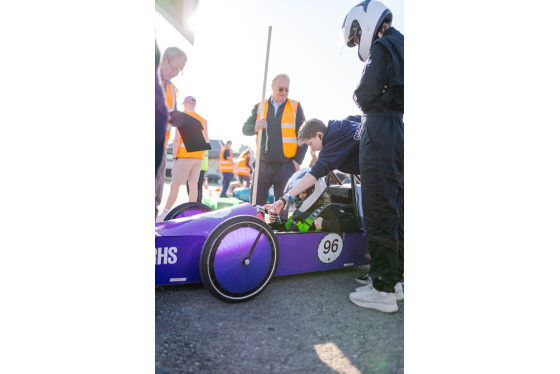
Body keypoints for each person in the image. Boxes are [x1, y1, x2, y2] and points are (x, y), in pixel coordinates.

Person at [342, 0, 404, 313]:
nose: (355, 42)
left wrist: (364, 94)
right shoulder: (402, 43)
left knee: (379, 205)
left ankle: (382, 290)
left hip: (379, 129)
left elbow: (363, 94)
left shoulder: (382, 46)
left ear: (365, 23)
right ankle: (394, 280)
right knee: (395, 206)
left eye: (355, 35)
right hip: (397, 129)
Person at [242, 73, 307, 220]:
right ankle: (254, 230)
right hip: (262, 164)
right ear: (272, 87)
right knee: (255, 205)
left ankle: (278, 233)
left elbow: (304, 134)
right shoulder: (260, 106)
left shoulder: (296, 107)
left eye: (287, 89)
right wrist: (254, 127)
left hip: (285, 166)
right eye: (280, 89)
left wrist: (297, 161)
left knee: (281, 208)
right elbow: (245, 128)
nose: (284, 92)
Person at [269, 116, 362, 216]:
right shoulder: (344, 123)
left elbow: (313, 175)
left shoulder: (330, 147)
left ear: (319, 135)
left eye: (310, 143)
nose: (312, 147)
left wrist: (285, 198)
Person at [157, 96, 208, 222]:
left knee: (175, 185)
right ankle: (191, 214)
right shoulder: (203, 120)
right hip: (199, 157)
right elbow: (206, 140)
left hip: (185, 156)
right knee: (193, 185)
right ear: (194, 104)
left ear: (185, 104)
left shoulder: (182, 116)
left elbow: (177, 139)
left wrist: (175, 157)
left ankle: (164, 213)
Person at [264, 169, 361, 233]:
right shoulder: (301, 210)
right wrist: (275, 223)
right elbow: (291, 227)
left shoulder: (328, 209)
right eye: (298, 193)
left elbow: (354, 224)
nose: (300, 197)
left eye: (304, 193)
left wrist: (324, 224)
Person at [155, 47, 187, 220]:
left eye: (179, 71)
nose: (175, 73)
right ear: (165, 60)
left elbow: (171, 115)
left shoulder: (173, 90)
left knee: (155, 199)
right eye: (174, 68)